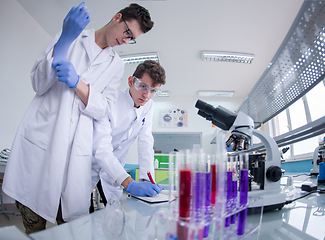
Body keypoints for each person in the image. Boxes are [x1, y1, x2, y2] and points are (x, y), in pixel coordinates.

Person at [2, 2, 154, 234]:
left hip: (76, 155)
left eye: (131, 39)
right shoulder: (72, 37)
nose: (125, 41)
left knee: (73, 228)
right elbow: (38, 84)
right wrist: (63, 42)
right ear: (117, 17)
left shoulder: (116, 66)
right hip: (43, 142)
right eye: (127, 33)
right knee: (34, 224)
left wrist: (78, 84)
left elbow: (104, 108)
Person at [91, 60, 166, 207]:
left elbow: (146, 141)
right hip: (90, 165)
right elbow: (101, 148)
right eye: (143, 86)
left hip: (115, 170)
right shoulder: (110, 101)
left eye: (153, 90)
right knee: (81, 216)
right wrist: (130, 184)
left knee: (114, 219)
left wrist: (147, 179)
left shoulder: (149, 106)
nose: (146, 95)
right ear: (131, 81)